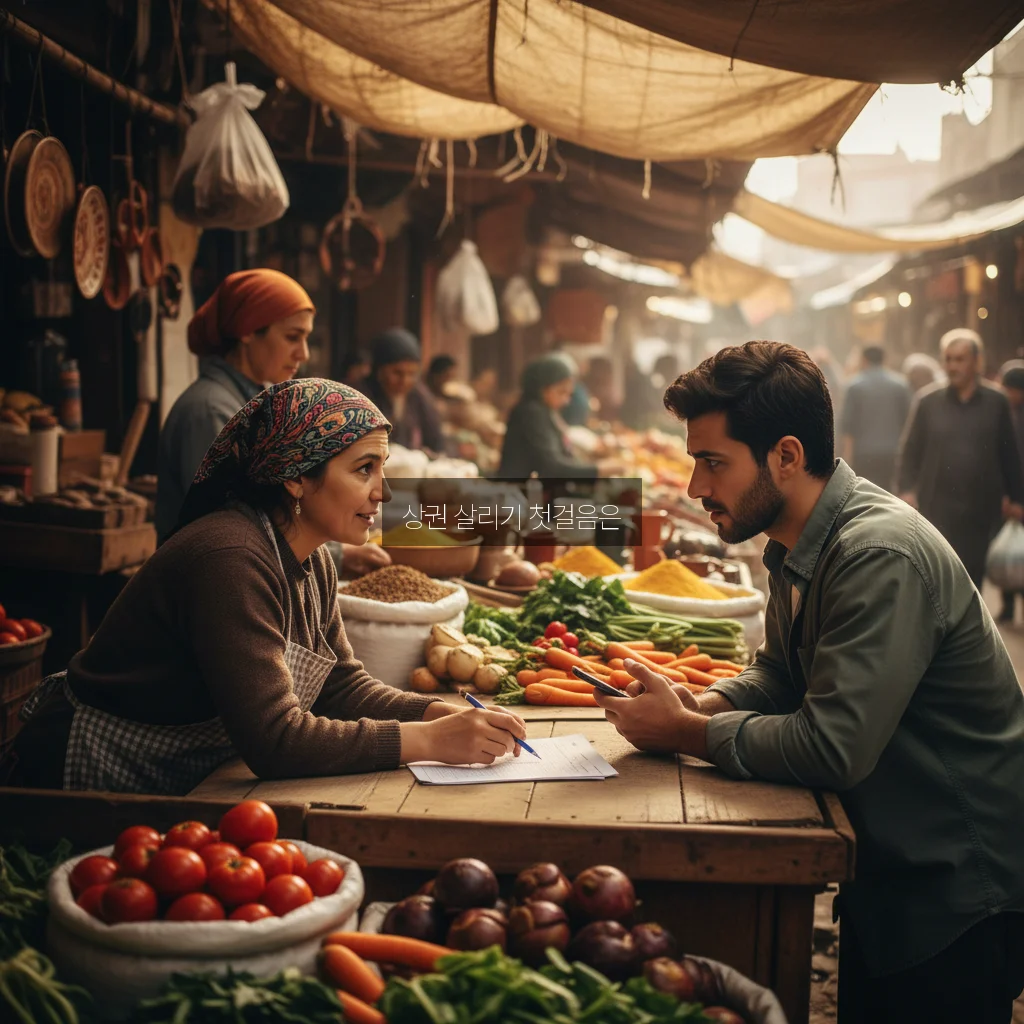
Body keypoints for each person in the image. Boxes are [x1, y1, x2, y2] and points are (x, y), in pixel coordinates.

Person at [591, 341, 1024, 1024]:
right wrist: (703, 702)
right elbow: (778, 671)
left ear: (786, 457)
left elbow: (832, 746)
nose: (696, 488)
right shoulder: (798, 541)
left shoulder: (877, 554)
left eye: (713, 463)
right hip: (890, 871)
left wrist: (688, 732)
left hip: (954, 887)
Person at [1, 380, 526, 795]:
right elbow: (276, 740)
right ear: (295, 477)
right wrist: (427, 740)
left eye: (382, 468)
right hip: (83, 774)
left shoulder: (312, 558)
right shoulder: (230, 558)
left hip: (181, 769)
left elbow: (340, 687)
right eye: (364, 469)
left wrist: (435, 712)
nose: (382, 492)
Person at [155, 269, 313, 541]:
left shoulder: (254, 403)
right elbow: (232, 526)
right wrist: (338, 555)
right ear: (247, 331)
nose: (304, 353)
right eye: (292, 337)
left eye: (306, 338)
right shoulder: (211, 411)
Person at [896, 328, 1024, 587]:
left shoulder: (996, 402)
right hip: (936, 507)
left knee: (972, 579)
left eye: (960, 359)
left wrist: (1017, 499)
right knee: (937, 576)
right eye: (948, 359)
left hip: (982, 509)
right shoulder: (927, 401)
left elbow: (1009, 453)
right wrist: (906, 491)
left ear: (977, 362)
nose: (953, 366)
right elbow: (910, 450)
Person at [498, 353, 608, 479]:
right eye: (561, 392)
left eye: (568, 394)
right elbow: (552, 467)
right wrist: (598, 470)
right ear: (542, 389)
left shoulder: (546, 411)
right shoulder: (531, 413)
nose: (566, 401)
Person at [838, 345, 911, 491]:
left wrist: (847, 458)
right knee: (890, 495)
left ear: (864, 360)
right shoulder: (901, 385)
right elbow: (908, 423)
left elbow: (848, 426)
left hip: (863, 454)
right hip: (892, 453)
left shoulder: (854, 386)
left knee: (865, 495)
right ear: (884, 359)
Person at [360, 328, 445, 454]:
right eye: (397, 373)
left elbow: (436, 442)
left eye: (412, 374)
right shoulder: (361, 397)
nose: (405, 381)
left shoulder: (419, 396)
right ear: (378, 370)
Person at [997, 360, 1024, 621]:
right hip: (1007, 496)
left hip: (1019, 495)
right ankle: (1007, 606)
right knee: (1007, 551)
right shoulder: (1002, 413)